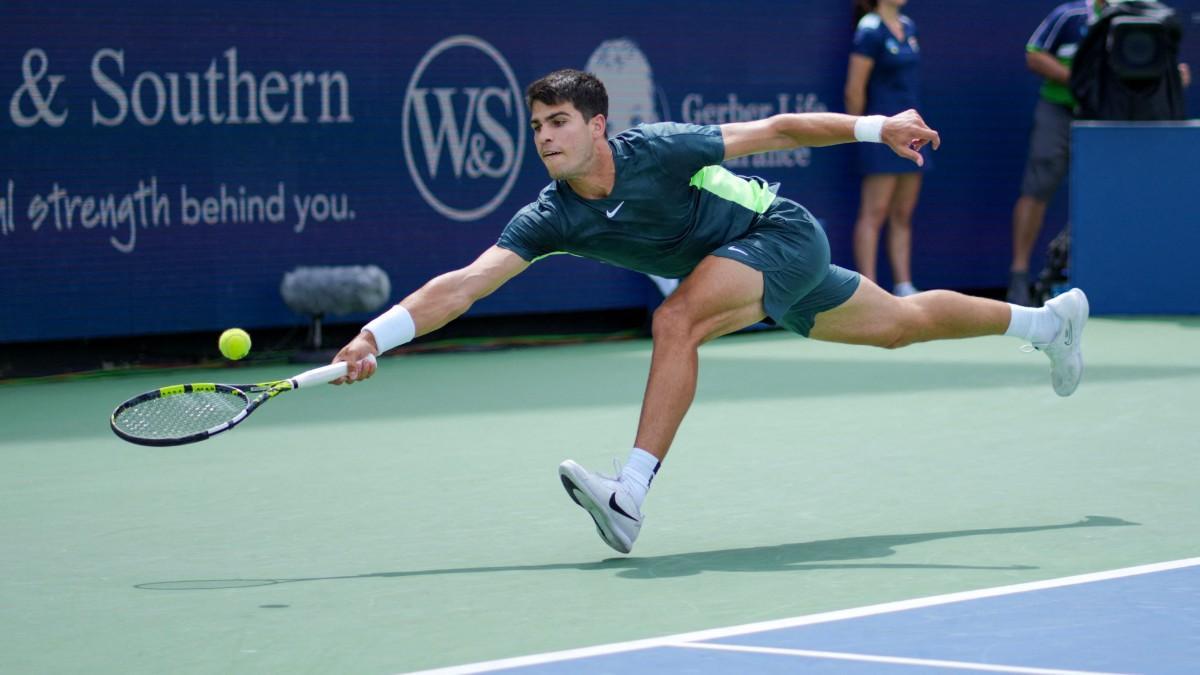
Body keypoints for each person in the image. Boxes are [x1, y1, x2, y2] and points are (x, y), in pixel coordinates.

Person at [332, 69, 1088, 555]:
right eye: (536, 126)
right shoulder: (552, 215)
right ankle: (1047, 323)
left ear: (596, 125)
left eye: (558, 121)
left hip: (778, 234)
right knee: (901, 324)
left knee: (675, 321)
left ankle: (629, 494)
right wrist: (374, 336)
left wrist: (875, 126)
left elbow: (779, 130)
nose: (545, 137)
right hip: (752, 267)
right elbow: (465, 284)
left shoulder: (659, 149)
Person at [845, 0, 929, 298]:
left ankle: (904, 286)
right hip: (880, 133)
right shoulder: (869, 29)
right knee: (875, 212)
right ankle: (868, 291)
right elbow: (854, 90)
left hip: (913, 132)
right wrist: (861, 132)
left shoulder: (909, 26)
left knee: (903, 212)